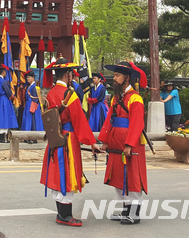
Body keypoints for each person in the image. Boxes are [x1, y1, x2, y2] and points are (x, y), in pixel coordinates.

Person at [39, 59, 101, 227]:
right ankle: (65, 216)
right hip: (68, 138)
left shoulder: (51, 93)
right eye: (71, 75)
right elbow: (79, 120)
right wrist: (91, 142)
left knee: (58, 172)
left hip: (55, 138)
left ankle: (61, 212)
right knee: (68, 172)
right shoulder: (69, 94)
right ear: (67, 75)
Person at [99, 62, 148, 225]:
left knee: (133, 177)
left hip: (130, 144)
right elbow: (109, 120)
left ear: (127, 78)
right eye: (114, 76)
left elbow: (137, 124)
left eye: (117, 76)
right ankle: (126, 210)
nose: (114, 79)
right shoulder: (116, 98)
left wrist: (129, 144)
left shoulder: (135, 98)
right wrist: (105, 141)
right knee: (120, 177)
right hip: (115, 143)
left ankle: (135, 213)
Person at [0, 67, 17, 143]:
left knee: (0, 116)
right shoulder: (3, 81)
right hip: (5, 100)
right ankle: (3, 137)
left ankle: (0, 137)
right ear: (3, 72)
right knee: (5, 117)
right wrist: (12, 95)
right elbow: (8, 92)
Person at [21, 71, 42, 137]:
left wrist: (33, 108)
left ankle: (32, 137)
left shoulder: (34, 87)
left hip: (32, 105)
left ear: (33, 78)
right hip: (28, 105)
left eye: (29, 77)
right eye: (27, 77)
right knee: (28, 120)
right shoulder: (29, 86)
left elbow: (35, 99)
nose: (28, 79)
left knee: (32, 121)